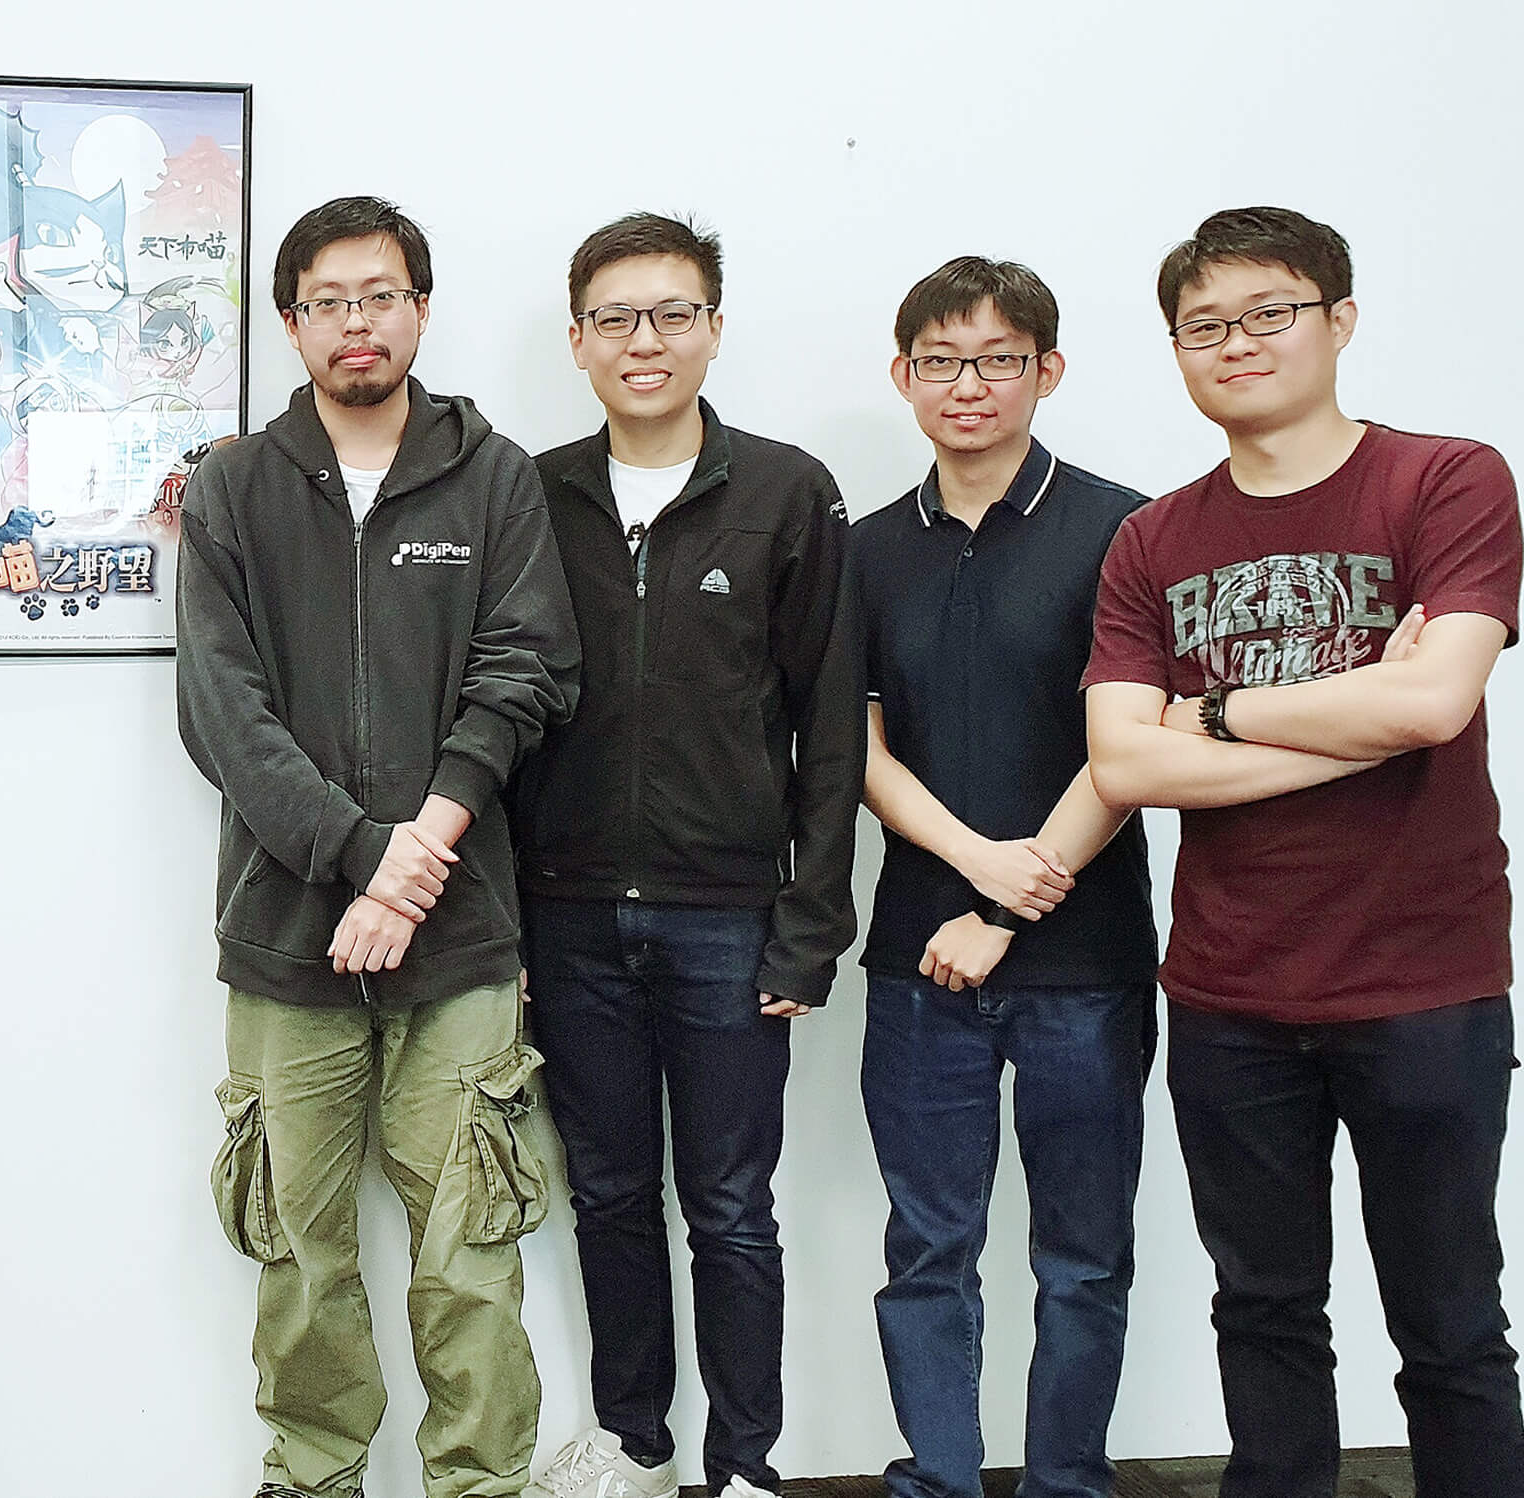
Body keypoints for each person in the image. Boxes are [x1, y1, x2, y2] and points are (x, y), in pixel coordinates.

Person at [1082, 206, 1524, 1497]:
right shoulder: (1154, 538)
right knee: (1264, 1309)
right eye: (1205, 324)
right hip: (1230, 990)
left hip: (1425, 985)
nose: (1238, 343)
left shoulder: (1444, 478)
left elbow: (1435, 703)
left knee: (1450, 1327)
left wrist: (1213, 710)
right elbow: (1124, 765)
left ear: (1339, 318)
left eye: (1270, 311)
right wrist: (1360, 718)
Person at [174, 195, 577, 1498]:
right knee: (300, 1247)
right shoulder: (235, 487)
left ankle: (479, 1483)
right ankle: (315, 1474)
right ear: (292, 321)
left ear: (420, 305)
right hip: (286, 936)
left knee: (470, 1247)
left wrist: (417, 863)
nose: (360, 320)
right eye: (331, 299)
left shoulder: (493, 472)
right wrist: (363, 856)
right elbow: (221, 713)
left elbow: (525, 674)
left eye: (383, 293)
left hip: (459, 939)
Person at [515, 212, 863, 1498]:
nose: (643, 340)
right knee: (604, 1195)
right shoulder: (529, 492)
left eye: (670, 314)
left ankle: (745, 1468)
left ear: (713, 328)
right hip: (565, 918)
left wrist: (808, 926)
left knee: (728, 1209)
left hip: (729, 921)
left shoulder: (785, 491)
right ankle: (631, 1447)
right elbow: (490, 719)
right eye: (615, 318)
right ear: (576, 342)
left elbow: (830, 727)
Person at [845, 258, 1155, 1498]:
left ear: (1046, 370)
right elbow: (856, 752)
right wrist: (973, 872)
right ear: (901, 376)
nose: (965, 385)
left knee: (1081, 1257)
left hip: (1085, 965)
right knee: (927, 1248)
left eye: (996, 359)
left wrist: (1008, 905)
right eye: (938, 360)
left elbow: (1133, 747)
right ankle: (938, 1480)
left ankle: (1067, 1483)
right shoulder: (860, 551)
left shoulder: (1127, 528)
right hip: (918, 958)